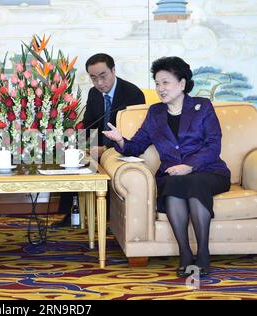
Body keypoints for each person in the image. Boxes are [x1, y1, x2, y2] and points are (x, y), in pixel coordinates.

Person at [102, 56, 231, 277]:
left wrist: (189, 165)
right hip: (173, 176)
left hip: (209, 172)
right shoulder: (155, 113)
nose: (160, 88)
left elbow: (213, 145)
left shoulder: (203, 107)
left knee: (194, 182)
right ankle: (184, 253)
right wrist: (120, 140)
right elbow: (137, 146)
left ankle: (203, 253)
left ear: (181, 84)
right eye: (157, 83)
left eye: (166, 82)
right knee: (173, 184)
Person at [53, 53, 145, 228]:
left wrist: (105, 149)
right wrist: (74, 143)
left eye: (103, 76)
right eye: (93, 78)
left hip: (122, 147)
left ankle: (110, 217)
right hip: (99, 145)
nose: (99, 83)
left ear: (113, 70)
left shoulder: (132, 94)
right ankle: (72, 212)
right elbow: (90, 125)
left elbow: (134, 133)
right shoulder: (94, 93)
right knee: (70, 157)